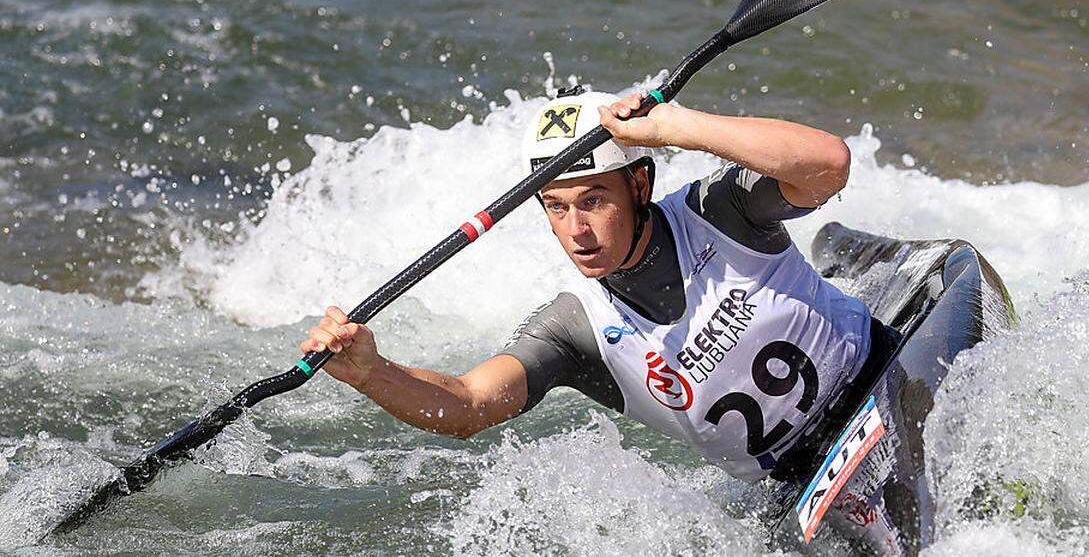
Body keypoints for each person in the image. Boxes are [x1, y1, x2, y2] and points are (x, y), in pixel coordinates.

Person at [301, 86, 897, 496]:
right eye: (555, 208)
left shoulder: (720, 210)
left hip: (878, 372)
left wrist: (676, 128)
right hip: (792, 484)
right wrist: (370, 372)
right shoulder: (573, 329)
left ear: (639, 183)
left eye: (593, 200)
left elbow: (829, 164)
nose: (576, 231)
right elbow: (467, 405)